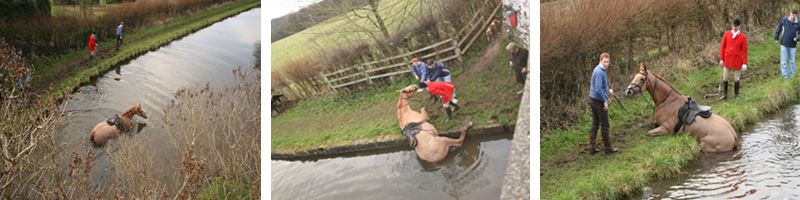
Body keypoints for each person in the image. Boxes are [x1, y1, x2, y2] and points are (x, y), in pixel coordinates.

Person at [588, 53, 618, 155]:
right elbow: (598, 89)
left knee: (595, 124)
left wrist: (608, 90)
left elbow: (600, 86)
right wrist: (605, 100)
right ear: (600, 61)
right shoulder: (600, 72)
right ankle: (608, 148)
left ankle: (592, 148)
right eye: (604, 61)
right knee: (605, 125)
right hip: (598, 101)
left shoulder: (599, 69)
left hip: (593, 99)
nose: (606, 64)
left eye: (608, 62)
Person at [719, 18, 748, 100]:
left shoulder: (743, 37)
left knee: (736, 78)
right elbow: (722, 47)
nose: (735, 28)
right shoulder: (727, 34)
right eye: (734, 26)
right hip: (727, 60)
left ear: (739, 26)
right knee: (725, 77)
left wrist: (744, 63)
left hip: (737, 61)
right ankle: (725, 94)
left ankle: (736, 94)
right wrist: (721, 59)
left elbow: (745, 51)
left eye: (737, 26)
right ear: (732, 26)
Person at [775, 9, 800, 79]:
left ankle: (792, 76)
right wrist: (776, 38)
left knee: (792, 61)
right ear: (790, 14)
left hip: (793, 45)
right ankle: (784, 76)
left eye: (794, 16)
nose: (792, 17)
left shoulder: (798, 23)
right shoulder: (784, 20)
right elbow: (778, 28)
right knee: (783, 61)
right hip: (784, 44)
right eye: (791, 15)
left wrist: (797, 38)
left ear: (796, 15)